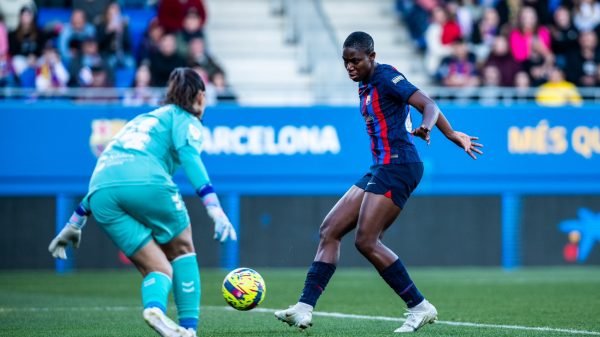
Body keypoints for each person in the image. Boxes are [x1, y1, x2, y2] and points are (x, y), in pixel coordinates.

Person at [274, 31, 483, 334]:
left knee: (366, 240)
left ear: (371, 56)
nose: (350, 67)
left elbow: (428, 104)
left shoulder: (386, 76)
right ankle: (304, 309)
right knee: (329, 230)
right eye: (345, 62)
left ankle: (419, 307)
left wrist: (437, 130)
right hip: (381, 167)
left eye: (355, 61)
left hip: (400, 165)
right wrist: (446, 132)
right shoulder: (364, 84)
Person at [48, 67, 237, 337]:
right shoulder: (185, 118)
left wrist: (75, 221)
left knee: (157, 268)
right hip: (147, 182)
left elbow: (111, 174)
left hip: (100, 193)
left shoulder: (142, 119)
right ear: (200, 97)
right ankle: (189, 329)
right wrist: (214, 208)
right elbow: (190, 158)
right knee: (182, 249)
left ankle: (155, 309)